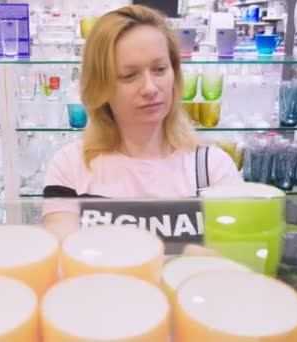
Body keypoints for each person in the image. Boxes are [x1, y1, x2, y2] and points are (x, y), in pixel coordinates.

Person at [42, 5, 242, 243]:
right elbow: (63, 260)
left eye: (159, 69)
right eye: (129, 75)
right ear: (100, 86)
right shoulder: (71, 166)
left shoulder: (212, 167)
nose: (150, 88)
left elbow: (233, 260)